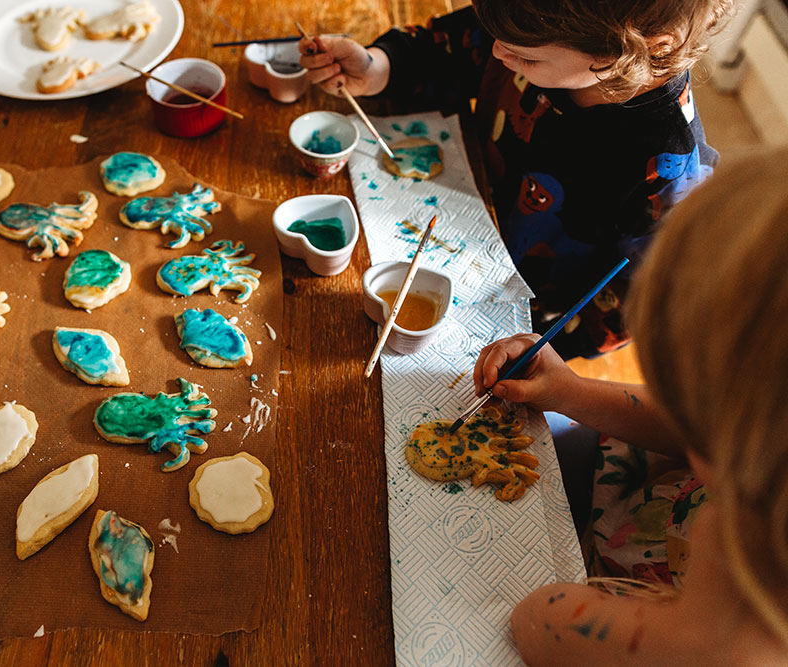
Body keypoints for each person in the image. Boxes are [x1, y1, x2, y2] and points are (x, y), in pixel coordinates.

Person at [472, 146, 788, 663]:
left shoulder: (728, 636)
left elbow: (539, 620)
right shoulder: (764, 448)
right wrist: (568, 390)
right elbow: (686, 422)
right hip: (635, 494)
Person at [299, 0, 733, 359]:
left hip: (517, 318)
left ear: (631, 52)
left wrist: (542, 349)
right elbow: (454, 44)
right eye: (497, 36)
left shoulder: (669, 167)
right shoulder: (529, 24)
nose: (497, 54)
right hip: (459, 219)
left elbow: (641, 303)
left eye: (525, 58)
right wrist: (381, 67)